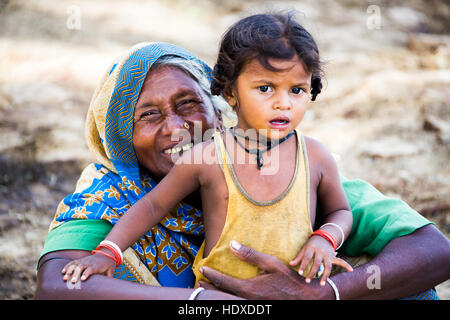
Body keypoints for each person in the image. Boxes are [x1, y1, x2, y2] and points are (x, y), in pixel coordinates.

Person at [35, 40, 449, 300]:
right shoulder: (110, 196)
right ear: (121, 137)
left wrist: (323, 293)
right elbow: (57, 286)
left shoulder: (293, 167)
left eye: (188, 104)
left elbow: (433, 251)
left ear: (219, 106)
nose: (178, 128)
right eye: (147, 116)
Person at [60, 12, 357, 289]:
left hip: (296, 290)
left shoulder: (315, 156)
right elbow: (152, 206)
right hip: (216, 296)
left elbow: (340, 210)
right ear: (229, 93)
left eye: (297, 90)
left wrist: (325, 239)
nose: (284, 103)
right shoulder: (207, 156)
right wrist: (108, 253)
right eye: (265, 88)